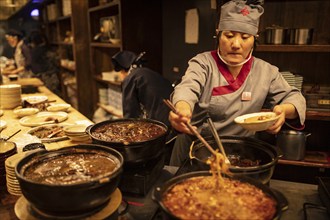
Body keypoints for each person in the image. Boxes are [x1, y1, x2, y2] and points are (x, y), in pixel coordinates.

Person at [168, 0, 306, 166]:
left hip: (241, 154)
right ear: (218, 35)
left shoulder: (266, 71)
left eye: (245, 37)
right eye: (229, 35)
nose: (236, 44)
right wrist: (183, 109)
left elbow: (294, 97)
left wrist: (282, 111)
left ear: (254, 39)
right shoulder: (203, 63)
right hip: (195, 151)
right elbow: (187, 88)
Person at [111, 50, 174, 129]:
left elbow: (130, 114)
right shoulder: (147, 73)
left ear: (122, 70)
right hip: (175, 118)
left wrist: (127, 130)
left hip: (161, 123)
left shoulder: (131, 78)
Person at [25, 30, 61, 96]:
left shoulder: (34, 51)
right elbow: (56, 62)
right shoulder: (46, 49)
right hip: (49, 77)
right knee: (52, 96)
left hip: (42, 77)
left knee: (47, 96)